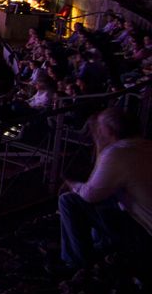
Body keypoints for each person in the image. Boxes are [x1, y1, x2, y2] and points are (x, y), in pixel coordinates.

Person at [59, 107, 152, 269]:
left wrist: (72, 184)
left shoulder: (117, 153)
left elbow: (89, 195)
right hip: (141, 222)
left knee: (68, 201)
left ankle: (77, 262)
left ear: (108, 131)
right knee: (108, 196)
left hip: (144, 233)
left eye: (99, 129)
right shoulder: (146, 145)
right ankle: (103, 243)